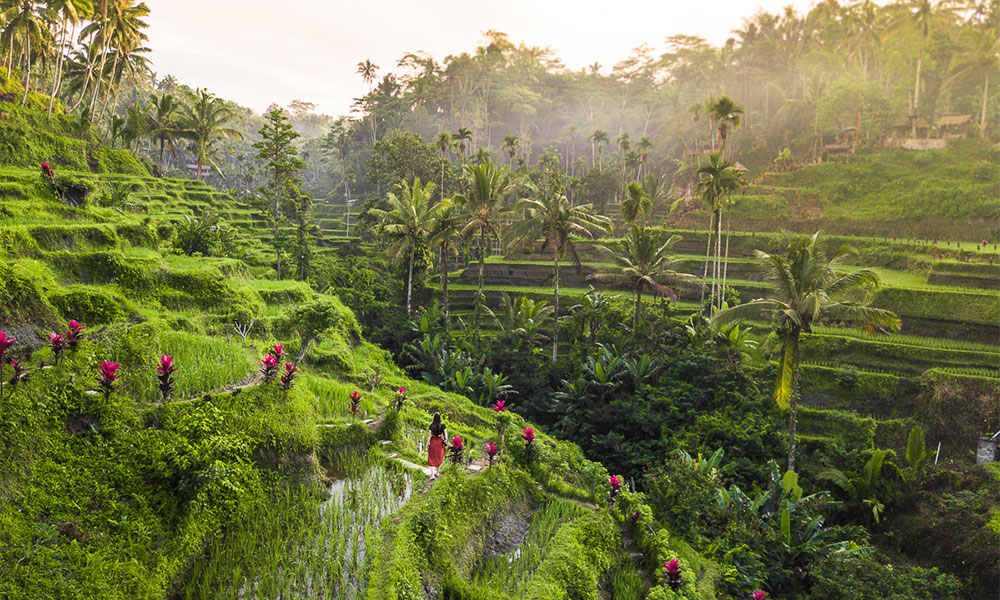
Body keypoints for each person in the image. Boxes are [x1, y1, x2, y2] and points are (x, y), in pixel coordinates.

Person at [426, 412, 446, 479]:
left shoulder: (431, 426)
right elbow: (446, 435)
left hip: (433, 442)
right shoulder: (443, 426)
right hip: (440, 442)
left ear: (434, 418)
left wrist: (427, 443)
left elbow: (429, 436)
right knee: (439, 457)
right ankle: (437, 473)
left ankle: (432, 475)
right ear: (440, 418)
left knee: (431, 457)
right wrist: (445, 440)